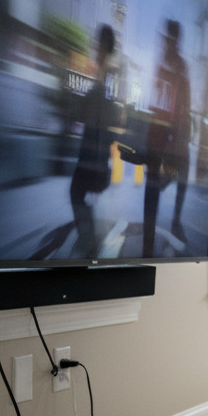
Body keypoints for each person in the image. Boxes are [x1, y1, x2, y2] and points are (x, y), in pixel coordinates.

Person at [68, 24, 121, 257]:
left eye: (96, 42)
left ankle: (88, 239)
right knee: (76, 193)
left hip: (94, 152)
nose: (93, 47)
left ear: (103, 45)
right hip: (94, 150)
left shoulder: (107, 72)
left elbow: (102, 113)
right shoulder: (105, 70)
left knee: (75, 192)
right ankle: (88, 238)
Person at [142, 19, 191, 255]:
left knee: (182, 171)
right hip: (159, 135)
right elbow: (155, 99)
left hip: (173, 136)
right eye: (166, 39)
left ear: (176, 41)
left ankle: (175, 220)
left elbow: (185, 103)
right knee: (155, 185)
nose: (167, 43)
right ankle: (148, 245)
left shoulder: (179, 66)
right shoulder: (165, 64)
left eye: (170, 39)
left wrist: (184, 132)